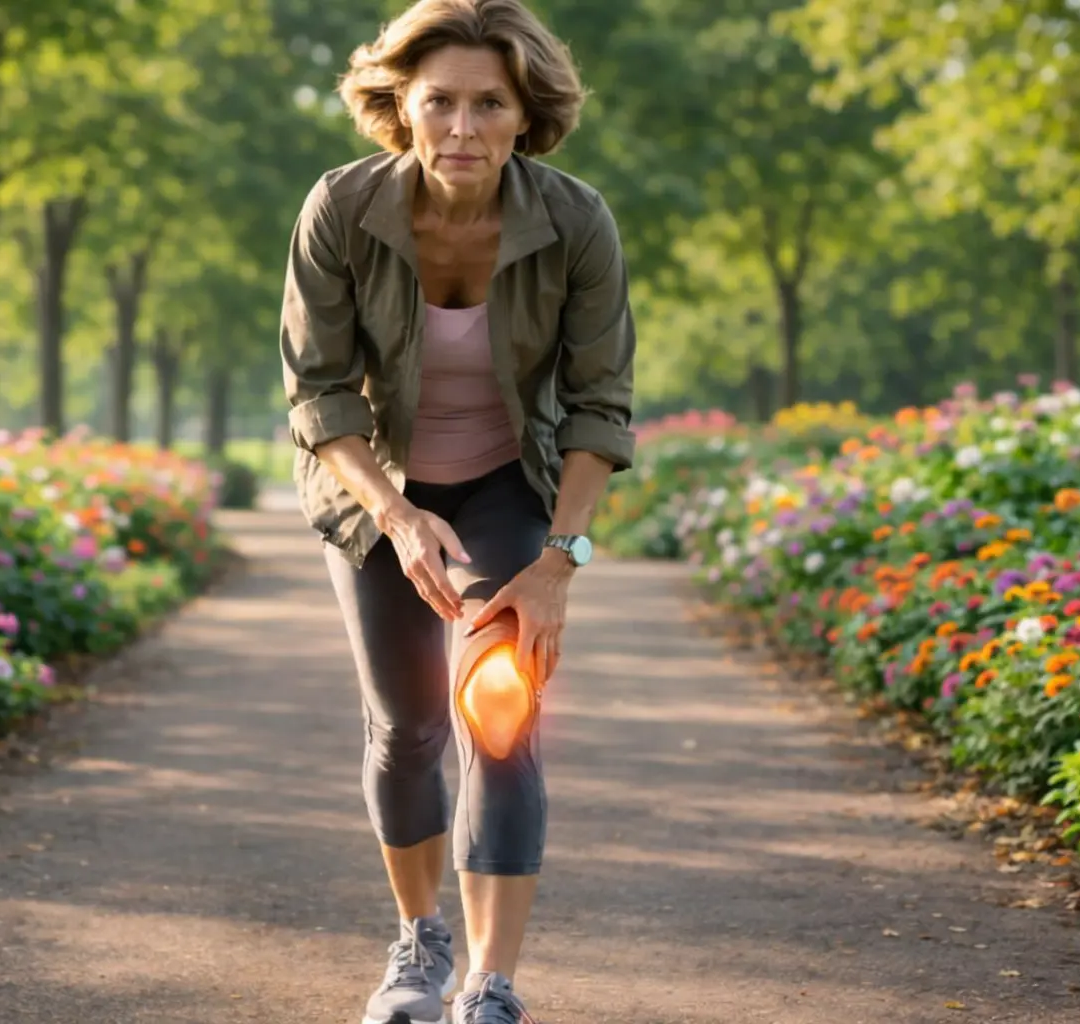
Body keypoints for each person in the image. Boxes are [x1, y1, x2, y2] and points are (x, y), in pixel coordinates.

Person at [278, 1, 636, 1020]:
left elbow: (602, 405)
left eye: (490, 104)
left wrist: (560, 558)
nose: (463, 128)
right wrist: (392, 512)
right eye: (440, 102)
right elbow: (320, 394)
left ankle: (492, 984)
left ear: (529, 114)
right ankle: (420, 943)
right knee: (405, 728)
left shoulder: (575, 222)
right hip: (374, 492)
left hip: (507, 486)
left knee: (502, 709)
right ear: (402, 104)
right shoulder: (342, 209)